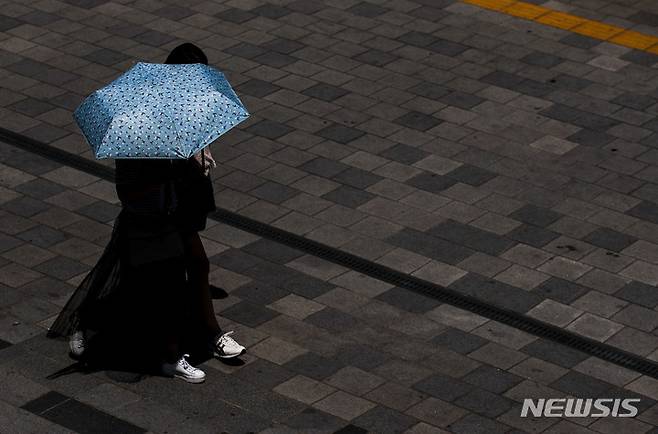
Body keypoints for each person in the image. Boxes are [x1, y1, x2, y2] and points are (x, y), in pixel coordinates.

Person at [47, 43, 245, 384]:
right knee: (149, 283)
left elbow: (190, 163)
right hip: (149, 221)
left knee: (191, 267)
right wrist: (174, 173)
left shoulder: (183, 114)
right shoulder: (140, 129)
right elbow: (130, 191)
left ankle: (206, 336)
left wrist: (198, 160)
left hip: (176, 215)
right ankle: (166, 352)